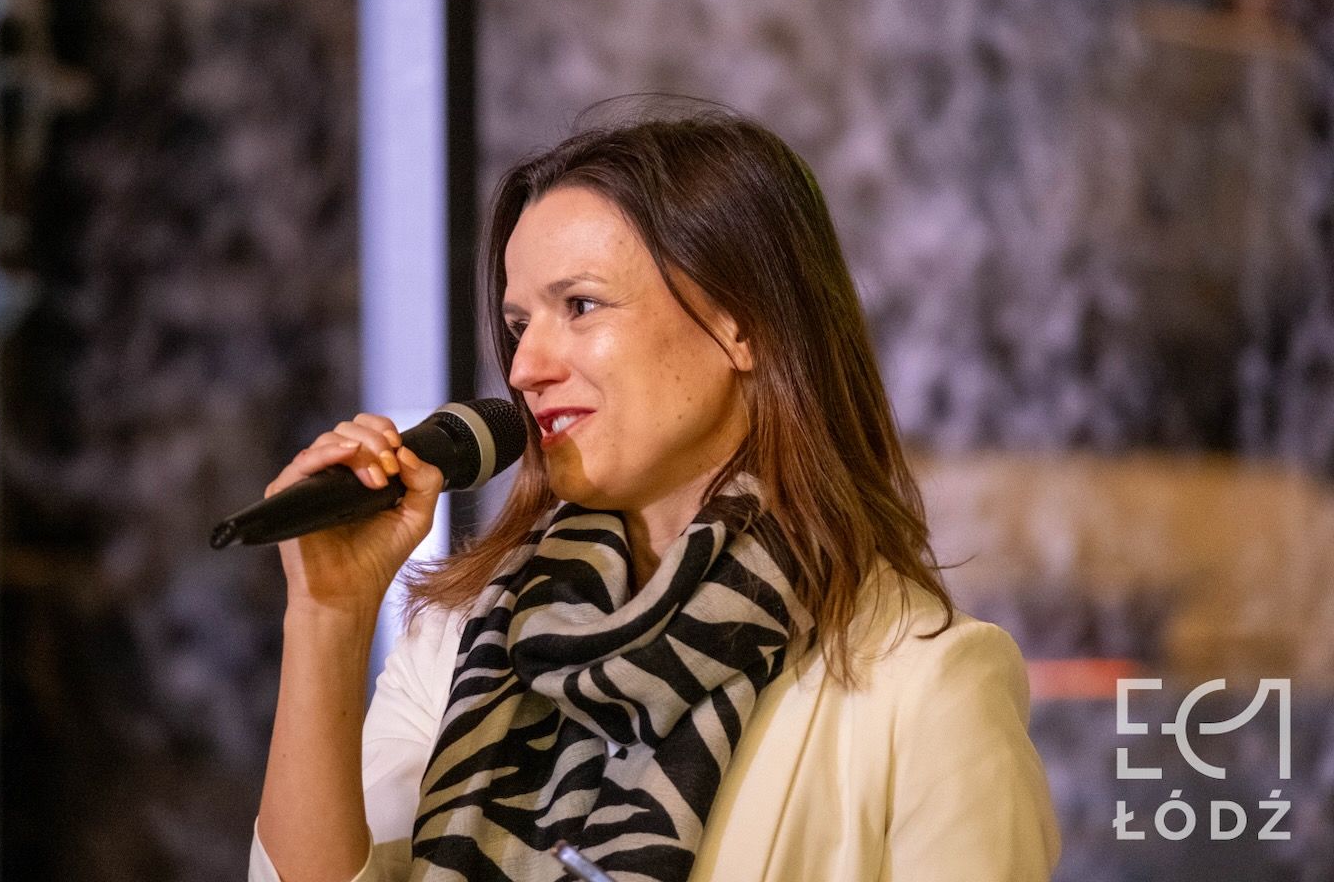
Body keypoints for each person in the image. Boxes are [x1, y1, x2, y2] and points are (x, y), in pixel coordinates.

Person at [250, 108, 1061, 882]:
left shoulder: (926, 687)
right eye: (519, 323)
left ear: (742, 323)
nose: (525, 367)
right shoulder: (459, 645)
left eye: (581, 306)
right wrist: (327, 615)